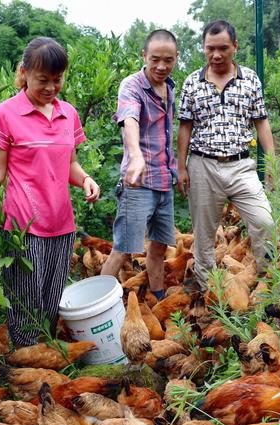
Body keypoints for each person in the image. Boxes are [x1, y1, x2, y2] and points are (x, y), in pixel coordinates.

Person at [0, 37, 100, 347]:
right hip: (23, 226)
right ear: (24, 72)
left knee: (50, 301)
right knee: (25, 305)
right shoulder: (5, 114)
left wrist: (85, 179)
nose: (50, 87)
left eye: (57, 80)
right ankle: (25, 364)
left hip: (62, 222)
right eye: (43, 80)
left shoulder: (68, 113)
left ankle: (43, 364)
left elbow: (70, 163)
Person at [177, 20, 275, 291]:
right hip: (202, 165)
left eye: (223, 48)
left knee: (264, 221)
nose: (216, 55)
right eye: (210, 49)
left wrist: (272, 164)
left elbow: (262, 123)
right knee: (204, 235)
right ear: (203, 48)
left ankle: (267, 283)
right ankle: (208, 292)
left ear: (235, 46)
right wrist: (181, 167)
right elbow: (185, 126)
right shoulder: (192, 83)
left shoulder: (250, 79)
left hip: (242, 165)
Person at [100, 29, 179, 301]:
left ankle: (158, 300)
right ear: (144, 55)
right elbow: (129, 118)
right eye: (155, 59)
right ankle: (98, 307)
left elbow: (168, 134)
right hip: (138, 184)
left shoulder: (170, 87)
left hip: (164, 182)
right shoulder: (132, 85)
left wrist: (177, 169)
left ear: (176, 58)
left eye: (168, 60)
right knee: (122, 250)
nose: (161, 66)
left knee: (159, 248)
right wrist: (135, 155)